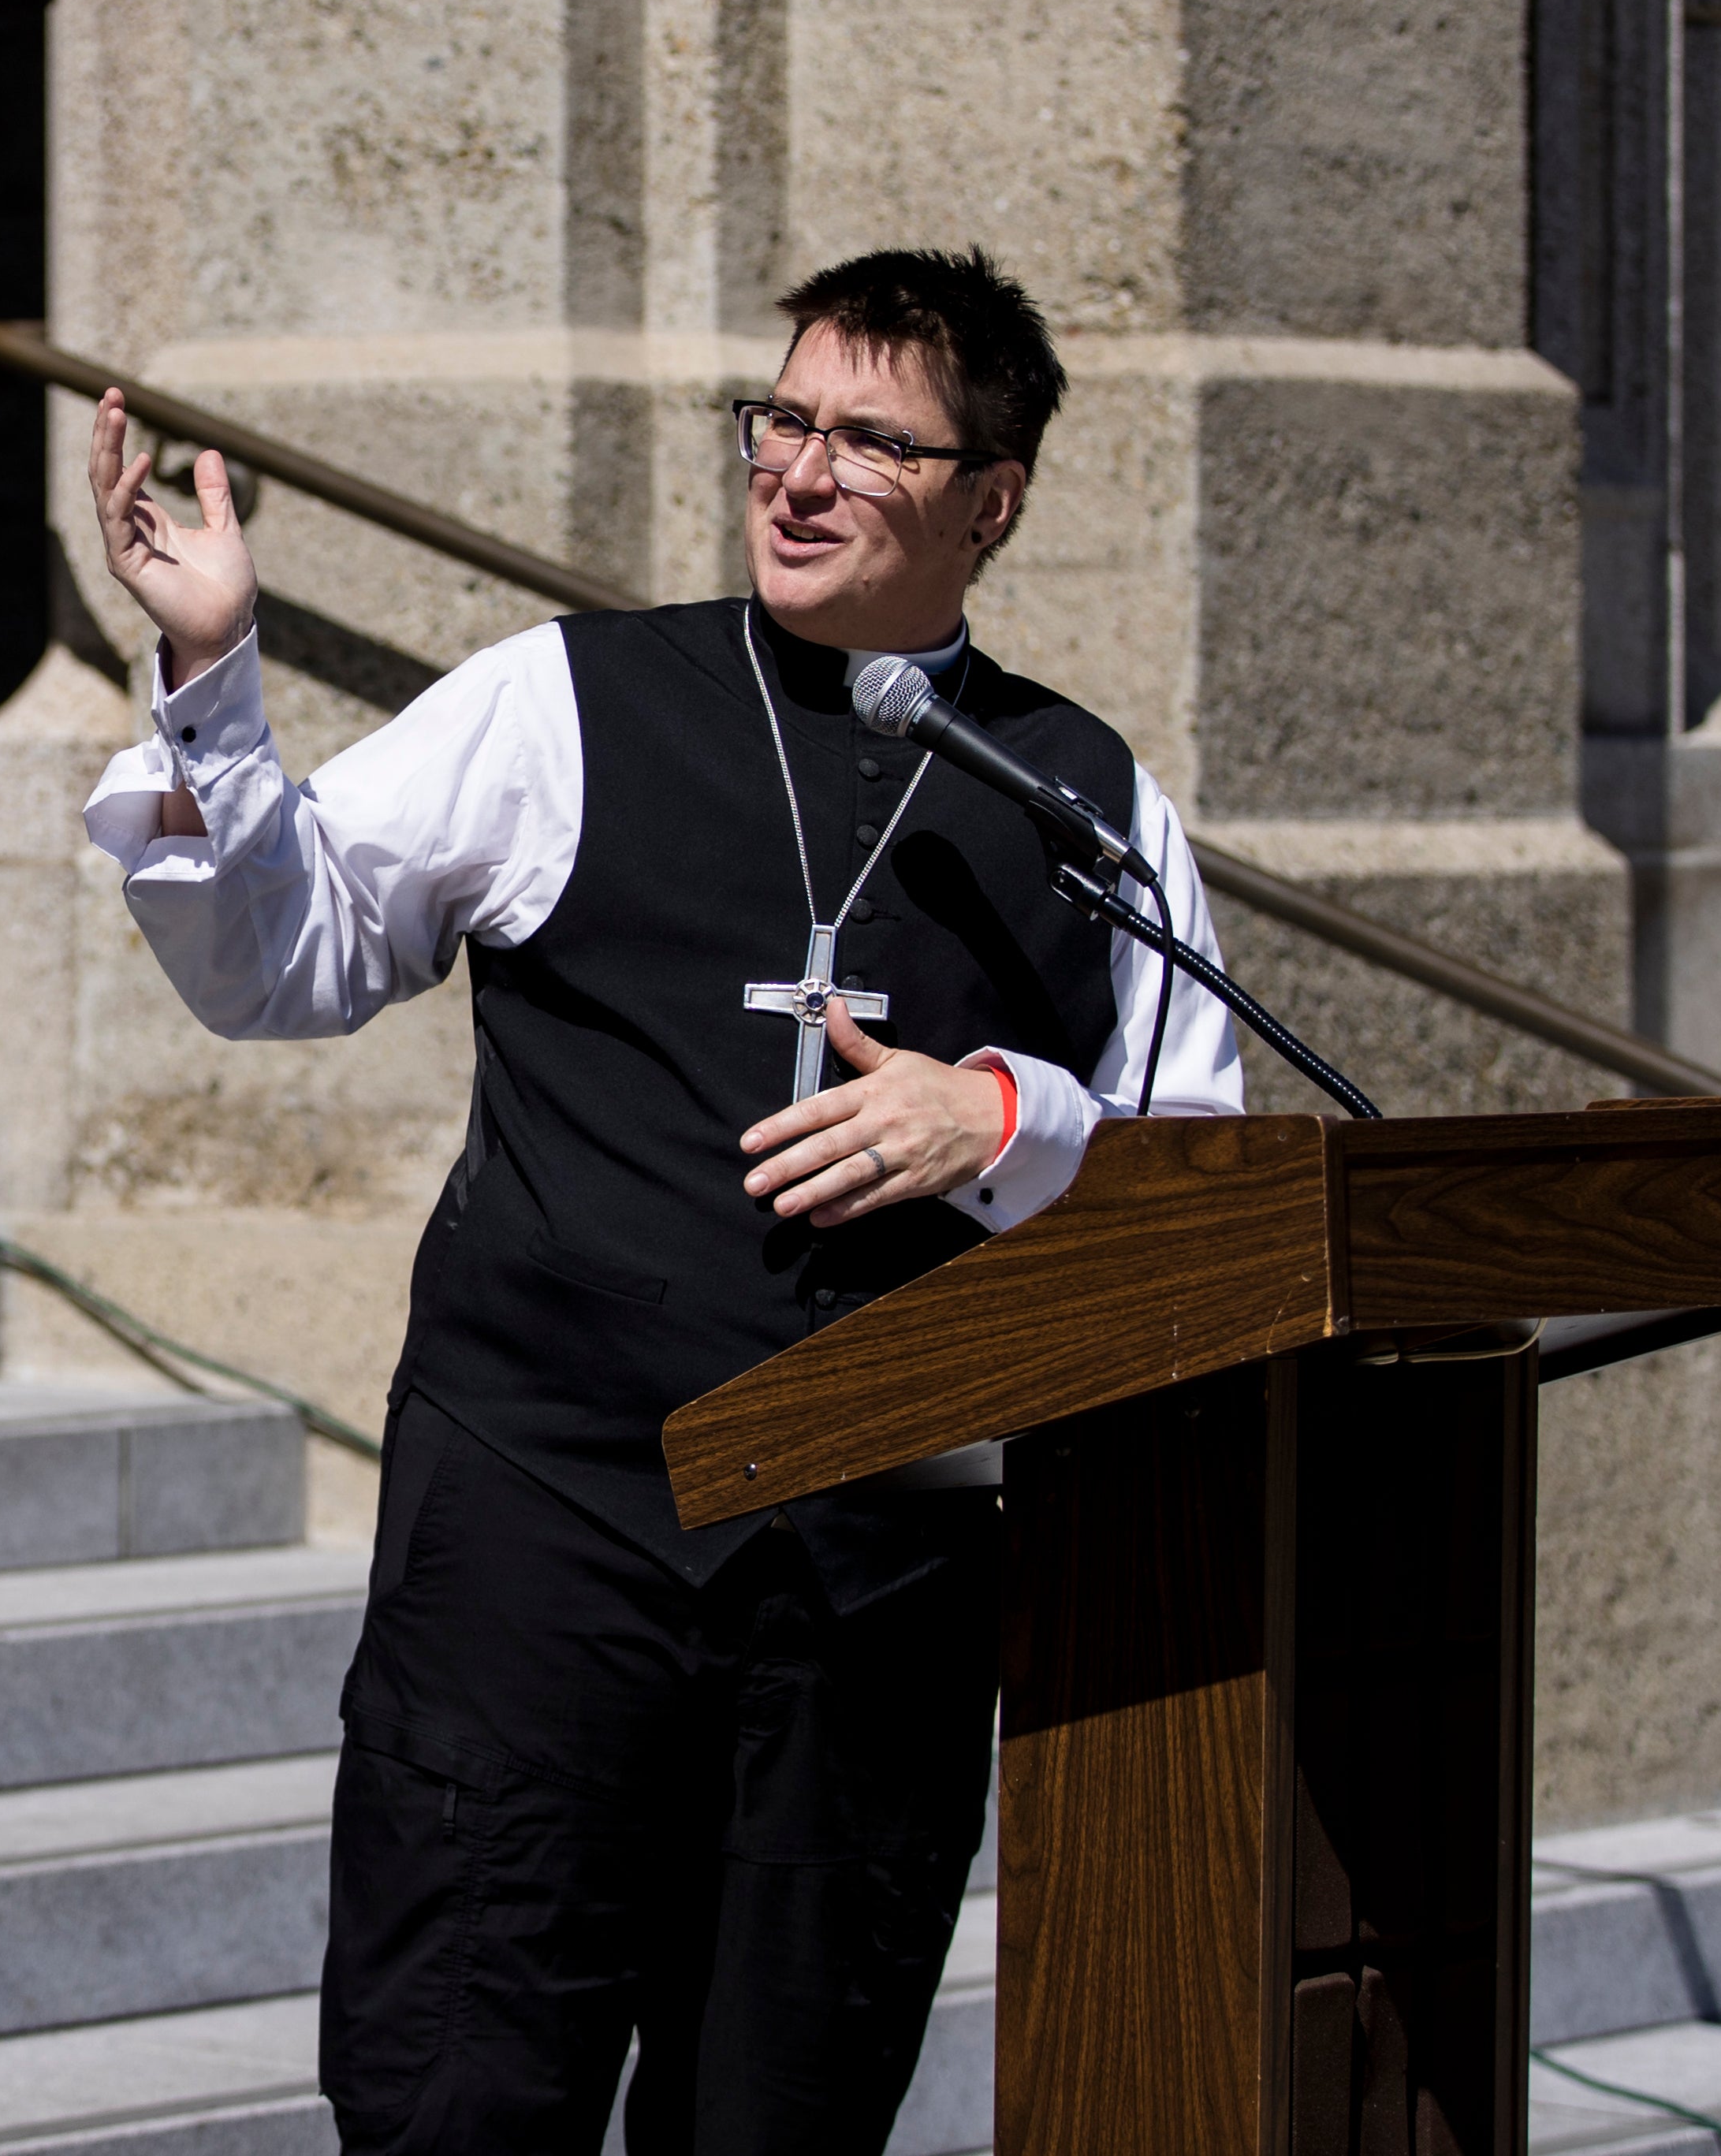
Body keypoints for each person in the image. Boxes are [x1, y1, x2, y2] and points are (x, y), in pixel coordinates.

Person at [83, 247, 1246, 2153]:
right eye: (780, 418)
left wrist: (1007, 1120)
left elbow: (1201, 1191)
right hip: (544, 1552)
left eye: (868, 441)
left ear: (994, 499)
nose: (796, 470)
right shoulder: (563, 700)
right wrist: (213, 673)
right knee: (460, 2099)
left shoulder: (1083, 797)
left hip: (881, 1595)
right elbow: (274, 961)